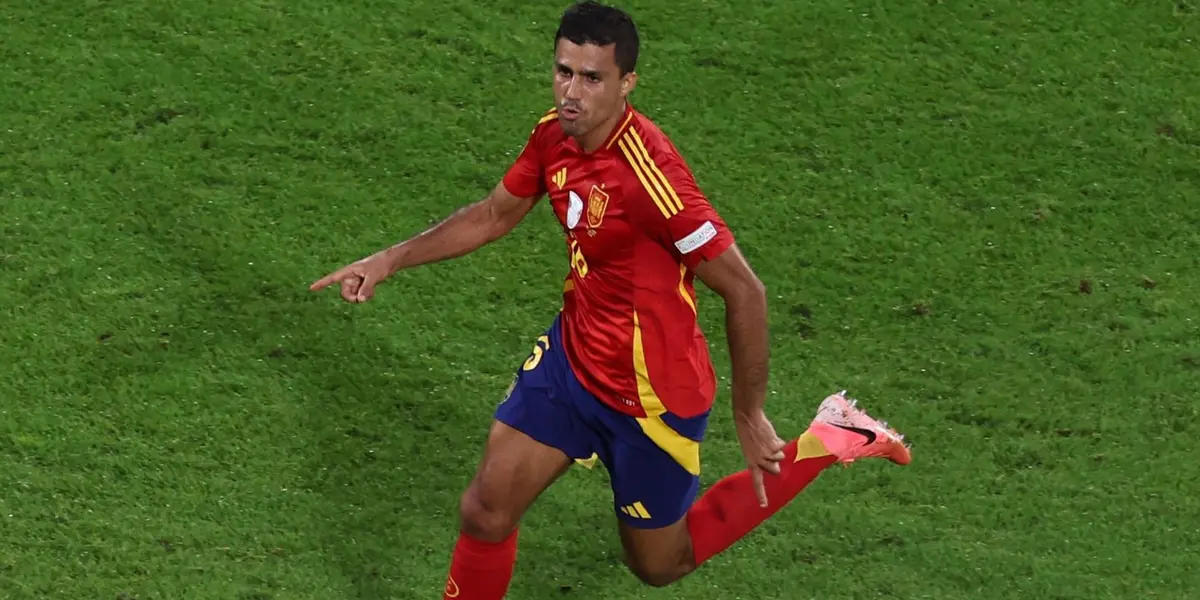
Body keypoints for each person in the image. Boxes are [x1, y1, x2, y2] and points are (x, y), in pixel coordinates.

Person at [310, 2, 912, 597]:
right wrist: (390, 258)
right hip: (572, 365)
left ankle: (830, 438)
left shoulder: (652, 177)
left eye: (592, 78)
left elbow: (745, 291)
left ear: (627, 83)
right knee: (485, 512)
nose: (572, 91)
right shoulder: (554, 134)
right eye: (563, 71)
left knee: (659, 565)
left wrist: (750, 416)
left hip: (651, 398)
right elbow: (494, 215)